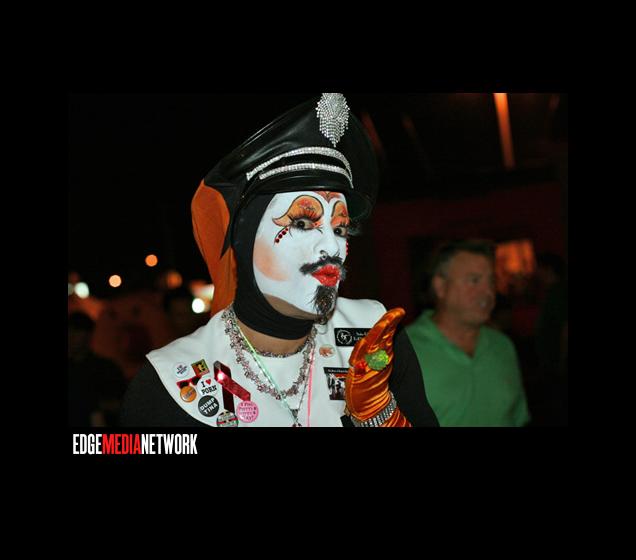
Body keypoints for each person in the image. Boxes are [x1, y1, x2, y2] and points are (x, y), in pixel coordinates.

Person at [120, 93, 438, 427]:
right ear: (243, 240)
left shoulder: (374, 337)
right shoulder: (171, 383)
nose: (332, 245)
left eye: (341, 228)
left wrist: (381, 416)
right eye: (302, 222)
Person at [406, 240, 530, 427]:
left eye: (491, 281)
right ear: (440, 286)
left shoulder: (502, 346)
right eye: (474, 280)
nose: (488, 292)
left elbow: (518, 418)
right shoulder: (403, 351)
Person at [68, 311, 128, 427]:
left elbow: (123, 404)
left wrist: (93, 404)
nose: (71, 336)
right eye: (69, 331)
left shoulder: (106, 368)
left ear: (89, 335)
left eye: (76, 331)